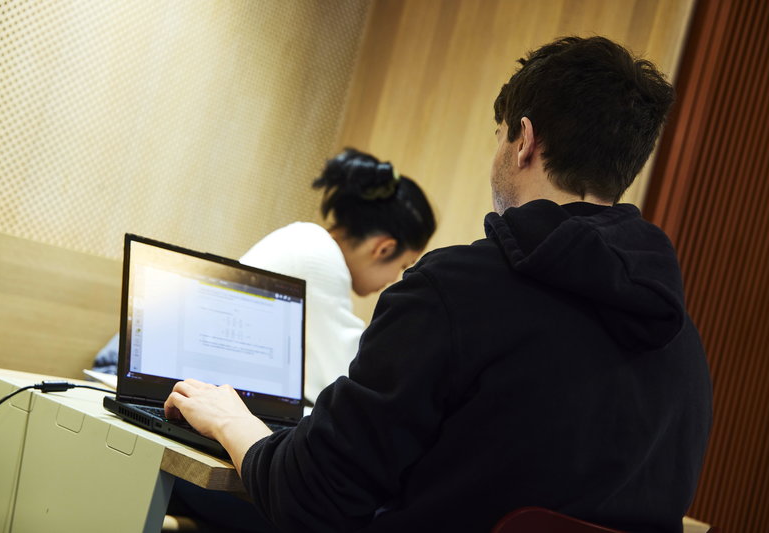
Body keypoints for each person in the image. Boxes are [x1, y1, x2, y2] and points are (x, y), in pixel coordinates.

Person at [164, 36, 713, 533]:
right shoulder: (681, 342)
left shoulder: (454, 290)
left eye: (499, 136)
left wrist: (233, 421)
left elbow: (314, 495)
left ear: (523, 141)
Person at [240, 148, 436, 406]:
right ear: (384, 249)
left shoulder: (308, 239)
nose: (394, 279)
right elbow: (352, 374)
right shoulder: (318, 256)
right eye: (403, 265)